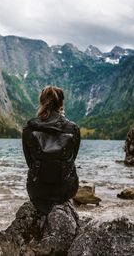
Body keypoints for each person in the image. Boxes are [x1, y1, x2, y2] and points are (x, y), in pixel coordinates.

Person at [22, 85, 80, 214]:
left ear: (42, 102)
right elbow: (72, 159)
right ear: (61, 103)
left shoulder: (29, 129)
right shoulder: (73, 128)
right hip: (65, 190)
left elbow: (30, 162)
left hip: (37, 191)